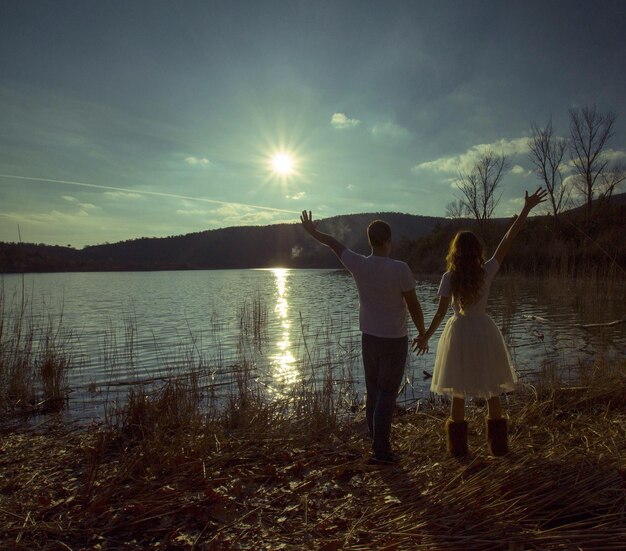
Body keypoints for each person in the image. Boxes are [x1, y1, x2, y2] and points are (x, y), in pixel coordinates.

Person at [413, 188, 547, 457]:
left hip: (459, 332)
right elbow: (508, 239)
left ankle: (459, 452)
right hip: (484, 330)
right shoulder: (486, 271)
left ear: (455, 252)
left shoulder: (448, 277)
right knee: (491, 388)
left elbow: (440, 314)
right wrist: (526, 209)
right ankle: (499, 449)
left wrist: (426, 336)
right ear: (476, 251)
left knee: (458, 390)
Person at [300, 210, 426, 464]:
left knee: (373, 392)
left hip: (369, 339)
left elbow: (334, 244)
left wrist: (314, 232)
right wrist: (423, 333)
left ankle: (376, 442)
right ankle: (381, 450)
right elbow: (414, 306)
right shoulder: (400, 269)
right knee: (387, 394)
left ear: (370, 241)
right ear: (388, 241)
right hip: (394, 341)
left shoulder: (359, 264)